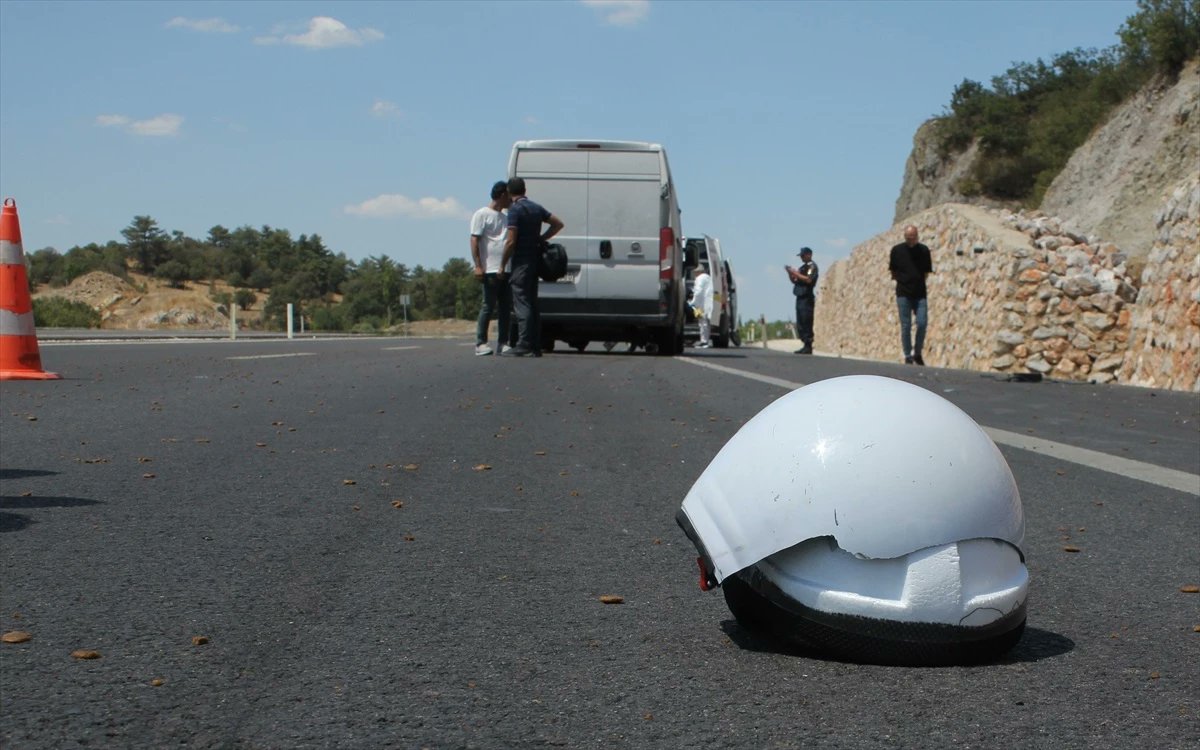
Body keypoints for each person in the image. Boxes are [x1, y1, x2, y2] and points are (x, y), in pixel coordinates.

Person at [500, 177, 563, 357]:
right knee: (533, 302)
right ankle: (535, 345)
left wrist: (502, 264)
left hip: (521, 261)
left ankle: (523, 343)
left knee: (522, 302)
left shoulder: (515, 210)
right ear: (524, 190)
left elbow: (511, 241)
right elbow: (558, 223)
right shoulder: (536, 207)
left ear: (509, 192)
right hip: (535, 261)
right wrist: (542, 238)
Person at [469, 181, 513, 356]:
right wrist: (478, 265)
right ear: (502, 195)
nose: (510, 200)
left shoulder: (506, 217)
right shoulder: (481, 214)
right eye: (508, 196)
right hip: (489, 269)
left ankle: (503, 342)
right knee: (488, 306)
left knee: (505, 307)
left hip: (506, 268)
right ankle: (481, 343)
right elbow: (474, 240)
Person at [889, 224, 933, 366]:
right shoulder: (897, 250)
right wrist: (903, 281)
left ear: (917, 236)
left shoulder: (924, 251)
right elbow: (893, 272)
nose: (911, 240)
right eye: (909, 238)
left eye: (913, 237)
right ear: (905, 237)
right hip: (903, 293)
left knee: (922, 323)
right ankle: (908, 355)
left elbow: (926, 272)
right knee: (906, 325)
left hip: (920, 293)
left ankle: (918, 353)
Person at [785, 247, 818, 354]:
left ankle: (808, 345)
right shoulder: (802, 267)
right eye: (801, 256)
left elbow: (808, 279)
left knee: (806, 321)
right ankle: (804, 343)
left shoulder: (812, 266)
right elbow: (795, 281)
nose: (802, 258)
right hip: (799, 296)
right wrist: (790, 273)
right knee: (800, 322)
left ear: (809, 255)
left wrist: (796, 273)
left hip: (807, 297)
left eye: (803, 255)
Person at [690, 264, 714, 349]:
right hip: (708, 303)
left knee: (702, 323)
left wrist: (692, 302)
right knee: (706, 323)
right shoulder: (708, 277)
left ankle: (704, 342)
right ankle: (705, 341)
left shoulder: (699, 279)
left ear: (698, 272)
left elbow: (698, 292)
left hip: (701, 305)